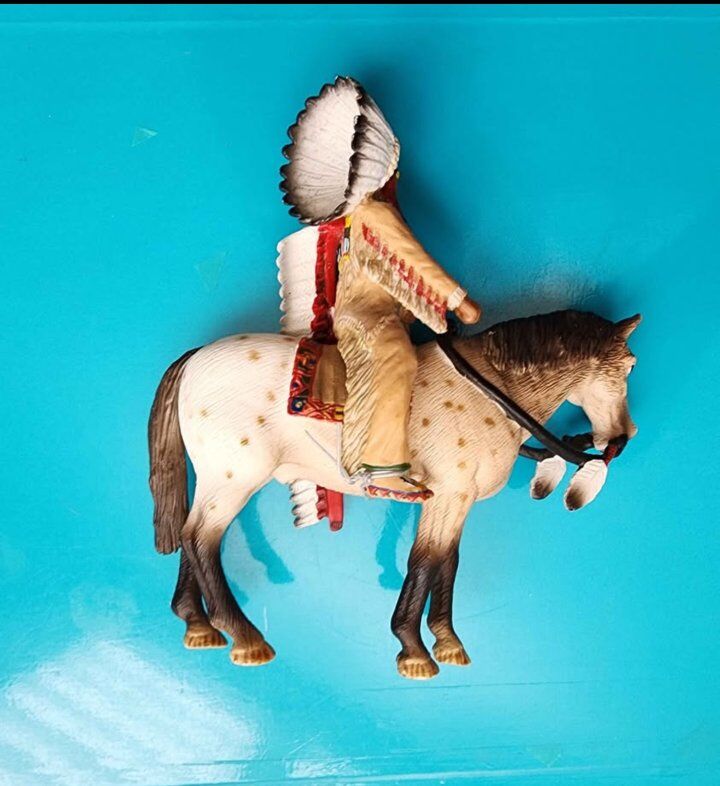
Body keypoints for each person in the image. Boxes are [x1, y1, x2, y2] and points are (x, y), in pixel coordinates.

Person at [279, 77, 480, 502]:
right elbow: (413, 258)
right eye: (394, 172)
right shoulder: (374, 213)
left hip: (369, 312)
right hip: (368, 317)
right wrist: (458, 301)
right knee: (397, 358)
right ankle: (380, 468)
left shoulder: (362, 217)